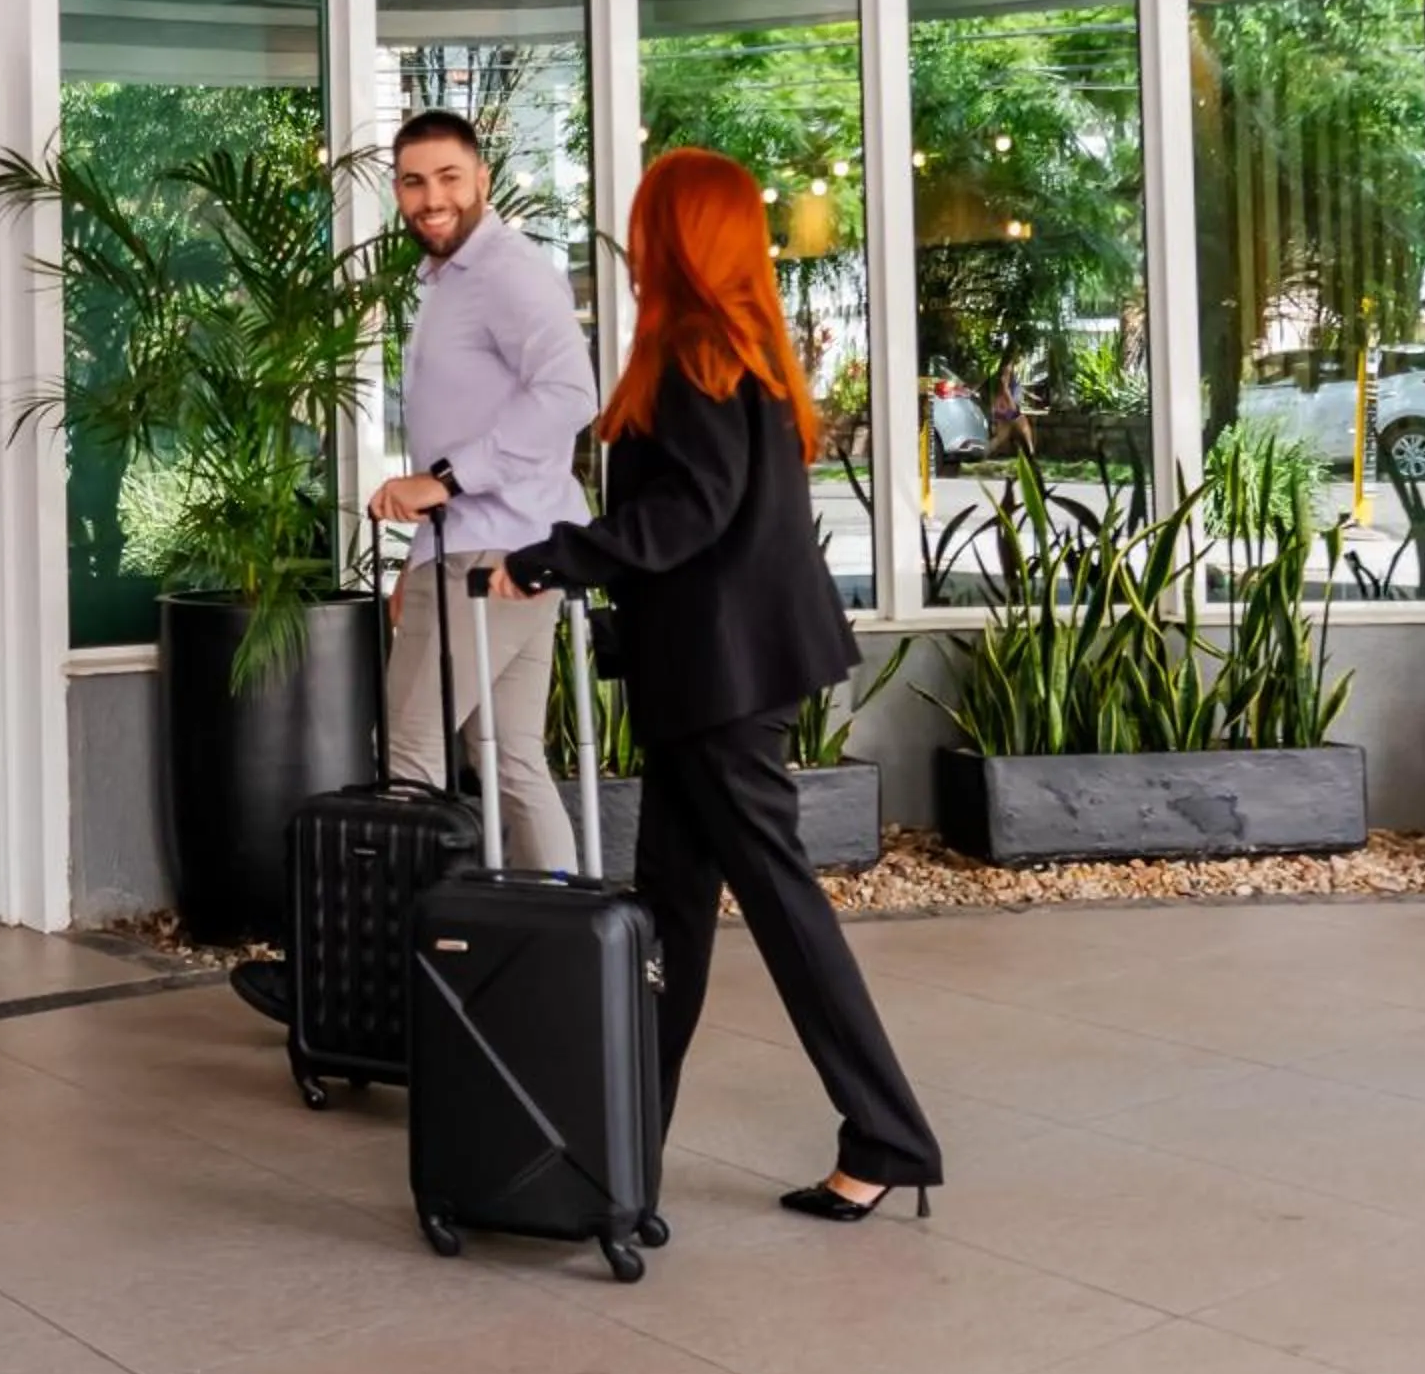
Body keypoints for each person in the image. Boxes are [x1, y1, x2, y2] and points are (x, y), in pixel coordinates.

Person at [495, 147, 943, 1224]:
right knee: (673, 918)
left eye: (647, 214)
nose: (633, 231)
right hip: (716, 669)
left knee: (775, 905)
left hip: (721, 677)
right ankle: (619, 1147)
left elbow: (689, 509)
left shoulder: (698, 349)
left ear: (679, 233)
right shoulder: (734, 346)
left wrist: (558, 554)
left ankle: (887, 1132)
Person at [232, 108, 596, 1024]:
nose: (430, 199)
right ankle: (563, 956)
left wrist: (444, 482)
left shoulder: (507, 275)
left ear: (481, 178)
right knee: (513, 759)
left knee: (409, 766)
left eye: (447, 178)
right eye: (412, 182)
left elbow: (571, 393)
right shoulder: (452, 279)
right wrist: (421, 550)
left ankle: (364, 979)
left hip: (489, 556)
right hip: (492, 549)